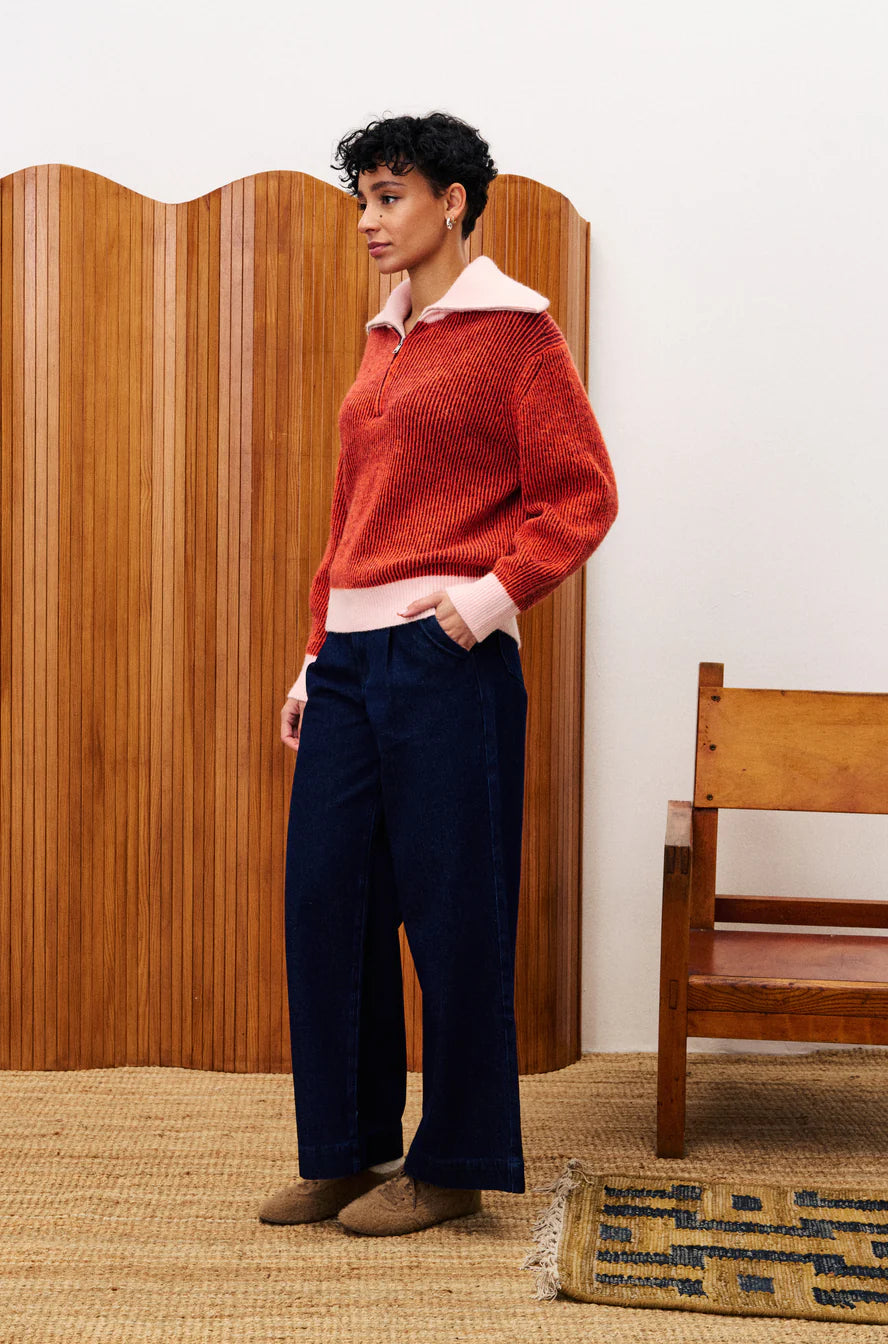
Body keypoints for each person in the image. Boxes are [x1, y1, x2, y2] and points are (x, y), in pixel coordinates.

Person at [259, 111, 618, 1237]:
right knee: (326, 902)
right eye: (361, 198)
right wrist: (318, 654)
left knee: (453, 914)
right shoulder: (385, 340)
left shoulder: (519, 337)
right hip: (354, 668)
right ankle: (348, 1151)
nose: (369, 220)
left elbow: (582, 496)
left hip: (445, 663)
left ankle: (454, 1161)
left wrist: (481, 602)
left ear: (455, 200)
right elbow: (348, 515)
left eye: (391, 196)